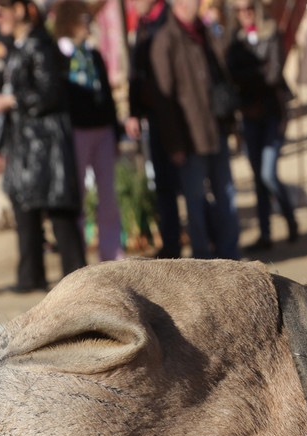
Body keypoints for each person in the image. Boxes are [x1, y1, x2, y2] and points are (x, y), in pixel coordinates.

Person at [0, 0, 86, 292]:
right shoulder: (18, 46)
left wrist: (13, 100)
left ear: (19, 10)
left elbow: (50, 92)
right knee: (25, 210)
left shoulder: (40, 45)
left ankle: (79, 283)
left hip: (47, 145)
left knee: (60, 215)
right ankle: (30, 277)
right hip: (25, 146)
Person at [149, 0, 240, 260]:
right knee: (195, 200)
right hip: (189, 138)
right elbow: (163, 101)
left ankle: (230, 256)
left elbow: (222, 75)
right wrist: (175, 144)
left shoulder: (205, 33)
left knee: (226, 195)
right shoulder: (165, 40)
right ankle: (203, 260)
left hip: (215, 129)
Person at [54, 0, 124, 262]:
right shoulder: (59, 56)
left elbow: (106, 96)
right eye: (84, 19)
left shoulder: (93, 55)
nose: (88, 24)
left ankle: (112, 254)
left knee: (108, 196)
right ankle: (77, 257)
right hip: (76, 134)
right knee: (79, 198)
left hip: (102, 131)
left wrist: (115, 134)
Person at [226, 0, 297, 251]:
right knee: (257, 175)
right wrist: (257, 73)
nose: (244, 14)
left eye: (248, 9)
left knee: (268, 172)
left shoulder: (272, 34)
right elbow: (232, 74)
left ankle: (288, 215)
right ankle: (265, 233)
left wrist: (251, 78)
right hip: (248, 114)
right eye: (239, 10)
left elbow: (275, 73)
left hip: (271, 113)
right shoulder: (235, 41)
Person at [124, 0, 182, 259]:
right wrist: (134, 111)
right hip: (155, 117)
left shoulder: (171, 18)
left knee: (189, 182)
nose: (132, 3)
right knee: (163, 185)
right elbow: (136, 74)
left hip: (178, 116)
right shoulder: (144, 24)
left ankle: (210, 243)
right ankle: (171, 245)